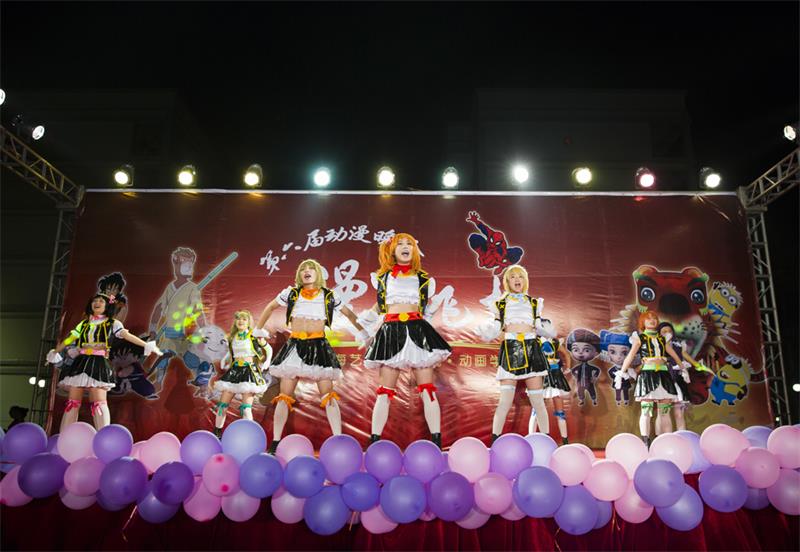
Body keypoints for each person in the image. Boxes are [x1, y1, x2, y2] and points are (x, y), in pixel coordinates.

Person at [258, 259, 367, 453]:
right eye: (303, 269)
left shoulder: (328, 296)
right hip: (295, 346)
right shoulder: (291, 293)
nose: (306, 271)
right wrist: (258, 329)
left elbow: (350, 315)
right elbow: (270, 307)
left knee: (328, 393)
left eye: (311, 269)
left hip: (318, 346)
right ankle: (275, 441)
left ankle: (338, 438)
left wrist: (364, 333)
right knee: (284, 395)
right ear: (299, 275)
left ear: (318, 273)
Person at [359, 233, 452, 448]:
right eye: (400, 243)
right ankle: (375, 441)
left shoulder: (423, 279)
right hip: (391, 331)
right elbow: (379, 306)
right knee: (384, 391)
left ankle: (436, 441)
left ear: (414, 250)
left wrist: (433, 309)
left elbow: (425, 309)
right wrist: (364, 325)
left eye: (409, 243)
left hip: (417, 330)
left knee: (427, 388)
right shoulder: (383, 278)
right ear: (392, 250)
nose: (405, 247)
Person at [47, 292, 163, 430]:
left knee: (99, 402)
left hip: (98, 363)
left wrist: (146, 345)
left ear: (107, 306)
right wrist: (55, 351)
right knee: (72, 402)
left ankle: (103, 434)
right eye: (95, 301)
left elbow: (127, 336)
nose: (97, 303)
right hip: (81, 363)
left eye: (101, 301)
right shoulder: (83, 324)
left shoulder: (113, 323)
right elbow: (69, 340)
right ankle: (66, 434)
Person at [479, 265, 550, 444]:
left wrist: (548, 331)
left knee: (538, 402)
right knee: (504, 402)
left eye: (521, 276)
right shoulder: (500, 304)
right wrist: (487, 333)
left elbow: (539, 327)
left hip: (532, 350)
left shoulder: (534, 303)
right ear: (507, 281)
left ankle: (546, 442)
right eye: (513, 277)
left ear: (525, 280)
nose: (517, 279)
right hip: (510, 350)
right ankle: (495, 442)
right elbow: (496, 327)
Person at [616, 311, 684, 447]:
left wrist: (683, 368)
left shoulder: (663, 339)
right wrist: (621, 373)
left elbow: (674, 355)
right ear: (643, 322)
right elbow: (630, 356)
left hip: (664, 376)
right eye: (648, 319)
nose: (652, 321)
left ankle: (666, 441)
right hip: (647, 375)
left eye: (654, 318)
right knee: (646, 411)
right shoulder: (639, 338)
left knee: (664, 411)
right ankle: (645, 442)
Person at [212, 310, 272, 437]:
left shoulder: (254, 336)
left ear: (249, 322)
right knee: (222, 406)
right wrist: (224, 359)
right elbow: (231, 352)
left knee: (246, 408)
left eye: (244, 319)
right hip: (234, 371)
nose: (241, 321)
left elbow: (268, 348)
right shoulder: (232, 337)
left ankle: (250, 436)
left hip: (249, 372)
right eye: (238, 318)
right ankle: (217, 434)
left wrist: (267, 361)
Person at [530, 319, 571, 444]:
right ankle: (531, 439)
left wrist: (567, 368)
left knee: (560, 410)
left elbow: (566, 354)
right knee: (536, 409)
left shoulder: (555, 342)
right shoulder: (534, 341)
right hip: (540, 377)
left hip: (555, 376)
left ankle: (565, 441)